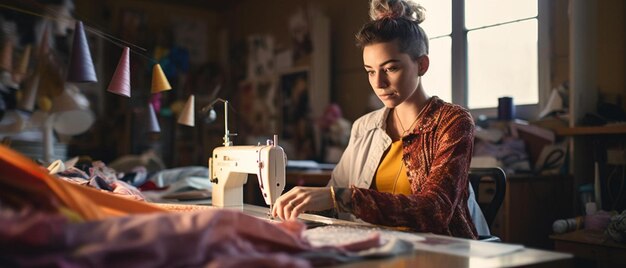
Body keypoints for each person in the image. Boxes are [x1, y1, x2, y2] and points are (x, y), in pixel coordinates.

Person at [271, 0, 488, 239]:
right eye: (370, 71)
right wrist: (301, 203)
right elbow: (332, 199)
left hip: (440, 252)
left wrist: (341, 197)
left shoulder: (453, 121)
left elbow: (434, 210)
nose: (378, 83)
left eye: (391, 68)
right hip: (379, 250)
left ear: (422, 65)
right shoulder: (364, 127)